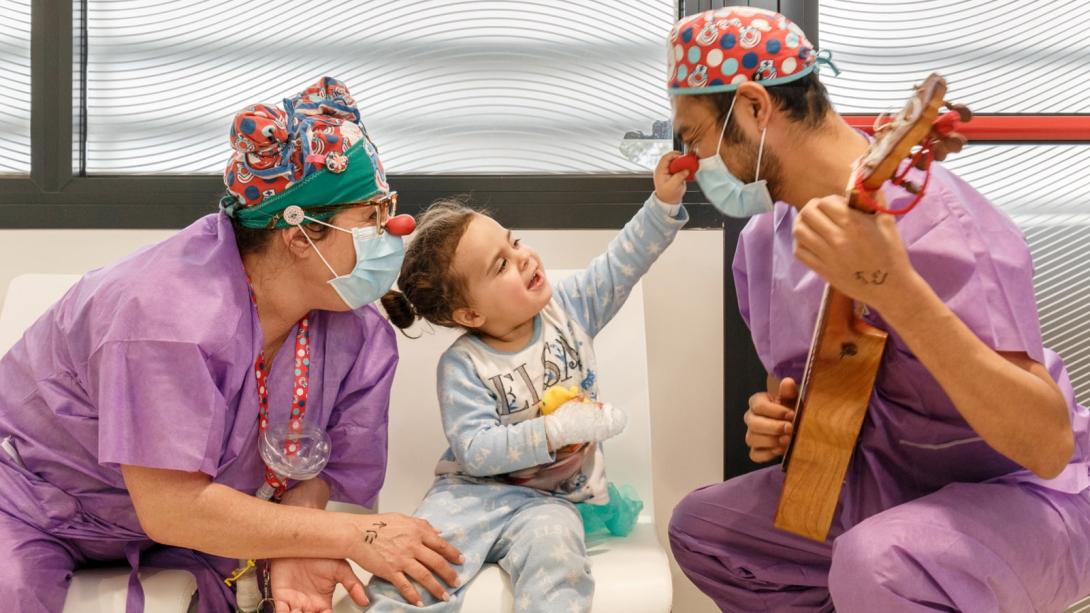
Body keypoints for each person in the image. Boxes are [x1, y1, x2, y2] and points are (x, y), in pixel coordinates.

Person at [664, 7, 1090, 611]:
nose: (692, 162)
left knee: (879, 563)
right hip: (882, 486)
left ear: (755, 109)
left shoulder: (942, 223)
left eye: (695, 137)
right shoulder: (764, 245)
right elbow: (814, 387)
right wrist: (780, 421)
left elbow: (1045, 446)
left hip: (1023, 495)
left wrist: (894, 288)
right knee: (703, 529)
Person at [0, 76, 461, 613]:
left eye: (390, 211)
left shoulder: (358, 332)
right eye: (372, 216)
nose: (395, 230)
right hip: (27, 500)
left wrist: (302, 540)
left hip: (170, 527)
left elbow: (325, 471)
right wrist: (353, 538)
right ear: (298, 235)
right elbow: (174, 507)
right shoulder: (165, 317)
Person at [363, 152, 689, 611]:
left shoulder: (570, 311)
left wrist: (663, 202)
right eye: (501, 265)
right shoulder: (463, 365)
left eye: (514, 243)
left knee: (558, 558)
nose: (523, 258)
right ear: (471, 314)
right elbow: (476, 451)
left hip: (549, 503)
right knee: (419, 565)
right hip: (469, 496)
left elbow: (623, 263)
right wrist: (556, 431)